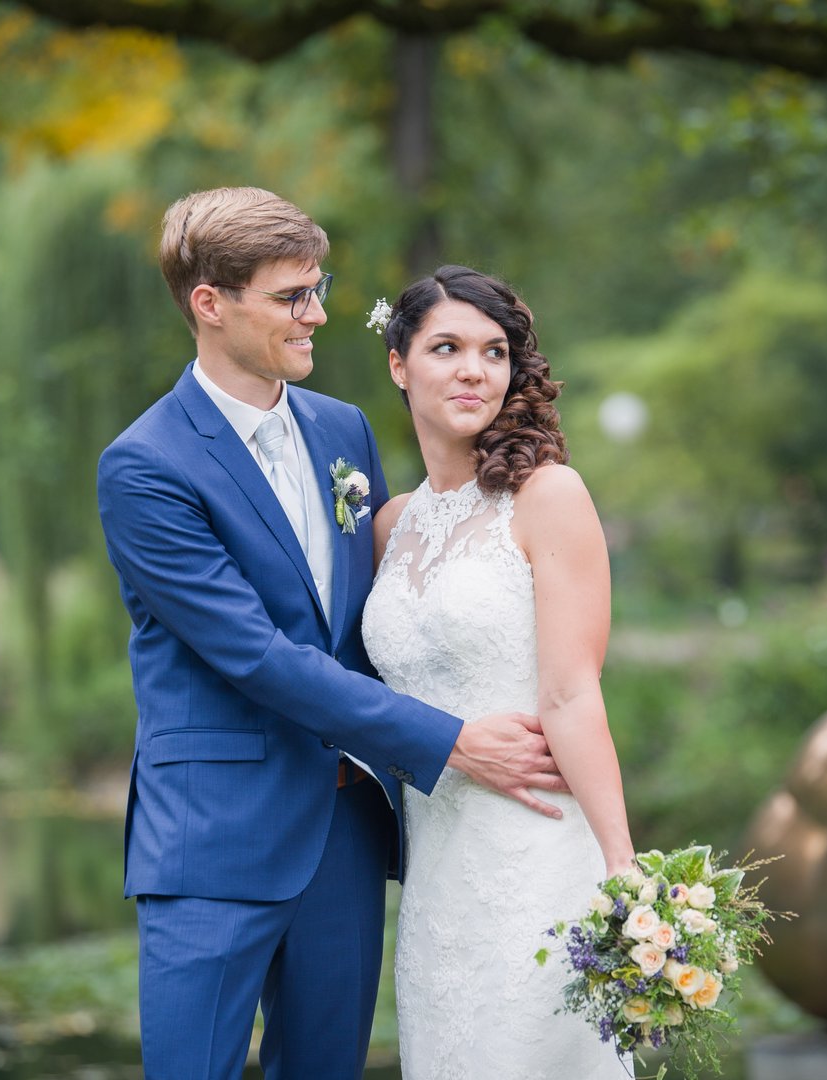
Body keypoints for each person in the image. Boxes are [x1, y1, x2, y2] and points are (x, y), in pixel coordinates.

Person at [95, 189, 567, 1080]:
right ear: (211, 303)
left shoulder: (341, 430)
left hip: (344, 831)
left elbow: (382, 619)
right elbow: (253, 654)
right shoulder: (146, 466)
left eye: (318, 289)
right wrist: (451, 740)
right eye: (290, 297)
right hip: (212, 840)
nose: (316, 314)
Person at [362, 265, 636, 1079]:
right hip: (437, 869)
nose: (474, 370)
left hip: (536, 848)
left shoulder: (548, 496)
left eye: (494, 352)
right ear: (399, 364)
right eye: (446, 348)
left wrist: (625, 868)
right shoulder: (389, 526)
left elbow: (572, 691)